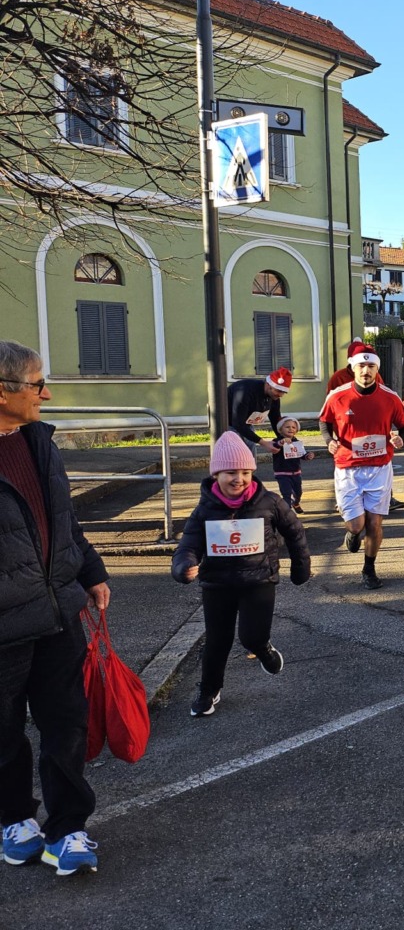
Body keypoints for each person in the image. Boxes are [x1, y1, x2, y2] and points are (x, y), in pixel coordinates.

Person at [0, 341, 110, 877]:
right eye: (36, 384)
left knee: (67, 723)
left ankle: (68, 829)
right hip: (4, 625)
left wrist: (90, 571)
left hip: (58, 613)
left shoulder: (39, 441)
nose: (47, 392)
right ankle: (14, 818)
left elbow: (62, 518)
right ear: (3, 391)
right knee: (3, 731)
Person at [171, 432, 311, 718]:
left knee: (251, 636)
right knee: (217, 640)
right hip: (217, 584)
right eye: (230, 472)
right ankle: (208, 690)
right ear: (216, 474)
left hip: (258, 580)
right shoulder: (205, 508)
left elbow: (294, 532)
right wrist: (183, 566)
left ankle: (263, 649)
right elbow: (189, 544)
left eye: (246, 472)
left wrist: (301, 566)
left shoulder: (269, 502)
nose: (239, 479)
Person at [319, 346, 404, 590]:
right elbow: (324, 422)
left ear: (377, 369)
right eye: (361, 366)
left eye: (371, 367)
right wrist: (329, 441)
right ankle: (351, 532)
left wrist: (401, 438)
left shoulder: (390, 397)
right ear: (353, 367)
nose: (366, 371)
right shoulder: (338, 396)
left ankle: (369, 569)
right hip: (347, 467)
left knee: (374, 523)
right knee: (357, 524)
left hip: (379, 467)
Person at [227, 365, 290, 456]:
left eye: (284, 392)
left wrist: (283, 438)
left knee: (250, 450)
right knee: (238, 453)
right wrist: (264, 443)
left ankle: (251, 469)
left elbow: (275, 418)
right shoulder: (245, 391)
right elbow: (238, 423)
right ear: (268, 384)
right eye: (278, 391)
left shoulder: (274, 396)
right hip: (227, 424)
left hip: (246, 424)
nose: (281, 395)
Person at [270, 416, 315, 513]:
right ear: (280, 429)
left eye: (293, 427)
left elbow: (302, 454)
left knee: (298, 493)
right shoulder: (276, 441)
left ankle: (296, 503)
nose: (291, 429)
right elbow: (274, 447)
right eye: (287, 427)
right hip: (282, 474)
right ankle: (287, 514)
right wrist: (281, 442)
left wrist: (308, 456)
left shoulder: (297, 442)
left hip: (296, 473)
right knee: (286, 494)